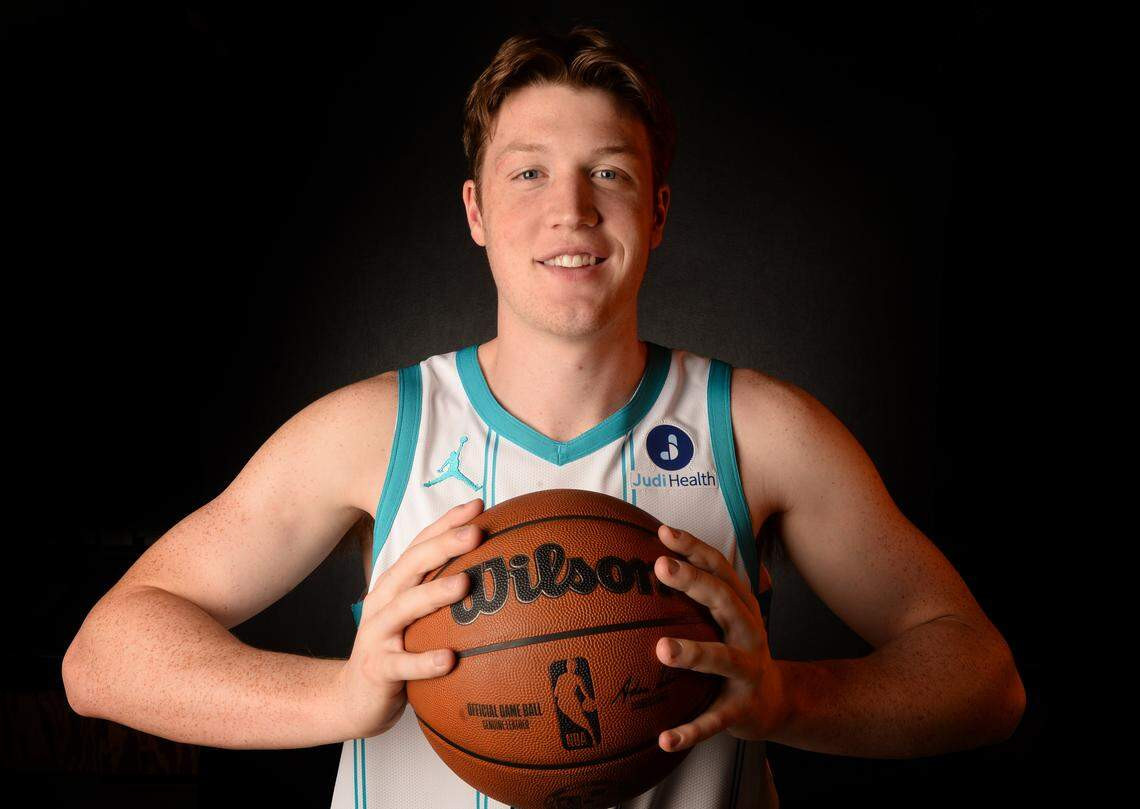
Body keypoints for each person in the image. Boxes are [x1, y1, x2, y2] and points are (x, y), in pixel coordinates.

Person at [61, 25, 1026, 809]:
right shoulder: (372, 431)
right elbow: (103, 657)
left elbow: (985, 678)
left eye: (609, 172)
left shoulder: (762, 431)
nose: (571, 208)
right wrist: (341, 695)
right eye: (529, 173)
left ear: (657, 210)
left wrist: (787, 696)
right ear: (476, 211)